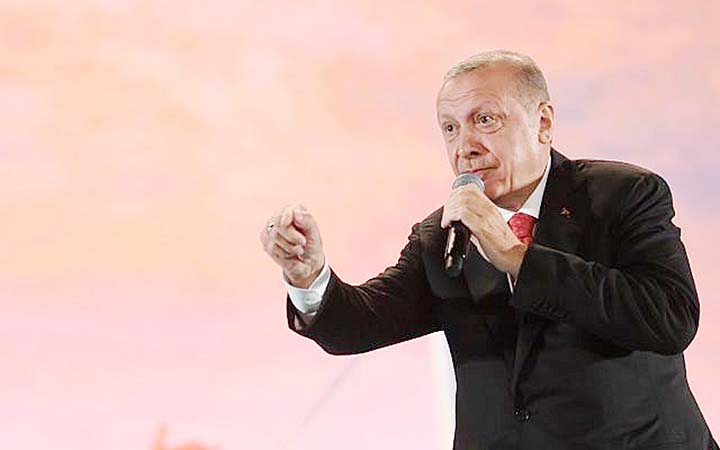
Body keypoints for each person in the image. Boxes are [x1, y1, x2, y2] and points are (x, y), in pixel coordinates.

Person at [259, 50, 717, 449]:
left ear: (542, 122)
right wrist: (309, 277)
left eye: (485, 120)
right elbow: (356, 326)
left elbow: (669, 318)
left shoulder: (622, 195)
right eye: (450, 129)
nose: (465, 147)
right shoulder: (441, 236)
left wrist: (517, 258)